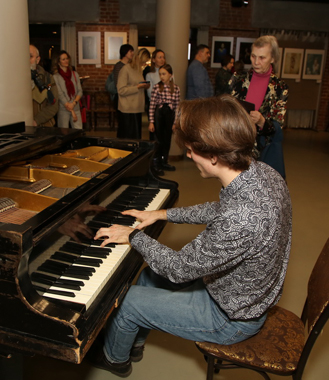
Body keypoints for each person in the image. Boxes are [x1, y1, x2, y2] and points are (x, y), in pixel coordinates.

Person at [90, 95, 292, 378]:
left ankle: (115, 360)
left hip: (230, 318)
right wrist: (161, 215)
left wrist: (133, 236)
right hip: (239, 291)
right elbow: (219, 210)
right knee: (148, 277)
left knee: (126, 299)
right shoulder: (263, 173)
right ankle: (133, 343)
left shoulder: (240, 219)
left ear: (213, 155)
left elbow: (178, 269)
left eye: (190, 150)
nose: (187, 155)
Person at [229, 35, 289, 179]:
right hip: (237, 147)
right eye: (253, 56)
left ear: (273, 58)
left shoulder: (280, 88)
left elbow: (278, 126)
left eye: (262, 58)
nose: (256, 62)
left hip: (263, 153)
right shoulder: (238, 79)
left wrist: (262, 121)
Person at [148, 64, 180, 174]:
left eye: (164, 74)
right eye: (160, 74)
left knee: (167, 140)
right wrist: (151, 121)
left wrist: (175, 122)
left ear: (170, 75)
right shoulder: (157, 87)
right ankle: (155, 163)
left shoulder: (176, 88)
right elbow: (152, 105)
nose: (162, 76)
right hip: (159, 114)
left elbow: (177, 107)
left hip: (169, 115)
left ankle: (164, 161)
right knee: (158, 139)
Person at [116, 48, 151, 139]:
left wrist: (144, 86)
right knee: (127, 138)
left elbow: (137, 84)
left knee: (136, 139)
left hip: (137, 108)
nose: (144, 64)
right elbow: (121, 90)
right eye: (144, 61)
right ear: (138, 58)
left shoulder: (139, 70)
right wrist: (137, 87)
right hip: (127, 109)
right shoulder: (125, 69)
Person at [30, 44, 59, 127]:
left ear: (37, 59)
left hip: (45, 127)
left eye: (30, 56)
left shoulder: (47, 78)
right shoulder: (14, 80)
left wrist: (36, 121)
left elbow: (53, 105)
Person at [53, 51, 83, 129]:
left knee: (78, 130)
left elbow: (80, 91)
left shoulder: (74, 74)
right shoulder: (56, 77)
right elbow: (60, 94)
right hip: (63, 108)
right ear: (58, 62)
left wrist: (73, 104)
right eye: (63, 59)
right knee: (64, 132)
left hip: (75, 106)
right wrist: (70, 108)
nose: (66, 61)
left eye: (67, 58)